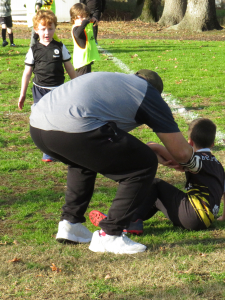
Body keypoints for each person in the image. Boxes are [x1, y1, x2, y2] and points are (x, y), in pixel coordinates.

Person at [29, 69, 202, 254]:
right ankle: (110, 234)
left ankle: (70, 224)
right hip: (73, 127)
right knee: (143, 165)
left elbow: (108, 142)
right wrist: (195, 166)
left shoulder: (116, 81)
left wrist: (152, 149)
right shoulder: (148, 93)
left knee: (84, 160)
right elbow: (182, 152)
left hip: (38, 126)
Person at [90, 118, 225, 233]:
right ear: (213, 143)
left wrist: (156, 147)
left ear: (189, 142)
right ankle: (125, 219)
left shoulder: (197, 160)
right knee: (154, 197)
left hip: (193, 214)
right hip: (205, 219)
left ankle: (131, 221)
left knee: (155, 185)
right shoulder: (216, 164)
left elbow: (180, 159)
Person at [18, 9, 76, 162]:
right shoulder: (34, 50)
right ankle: (47, 151)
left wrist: (77, 83)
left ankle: (61, 148)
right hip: (40, 90)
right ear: (36, 30)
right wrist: (22, 93)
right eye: (43, 29)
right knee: (42, 120)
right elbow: (27, 72)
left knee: (59, 119)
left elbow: (69, 68)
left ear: (55, 29)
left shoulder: (59, 47)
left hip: (58, 90)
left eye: (50, 28)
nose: (47, 32)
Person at [70, 3, 100, 76]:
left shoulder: (83, 26)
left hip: (87, 60)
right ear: (74, 17)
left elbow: (90, 23)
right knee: (82, 82)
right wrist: (84, 23)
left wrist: (93, 20)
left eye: (85, 16)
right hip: (82, 63)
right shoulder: (76, 28)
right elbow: (78, 34)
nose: (84, 19)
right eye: (81, 17)